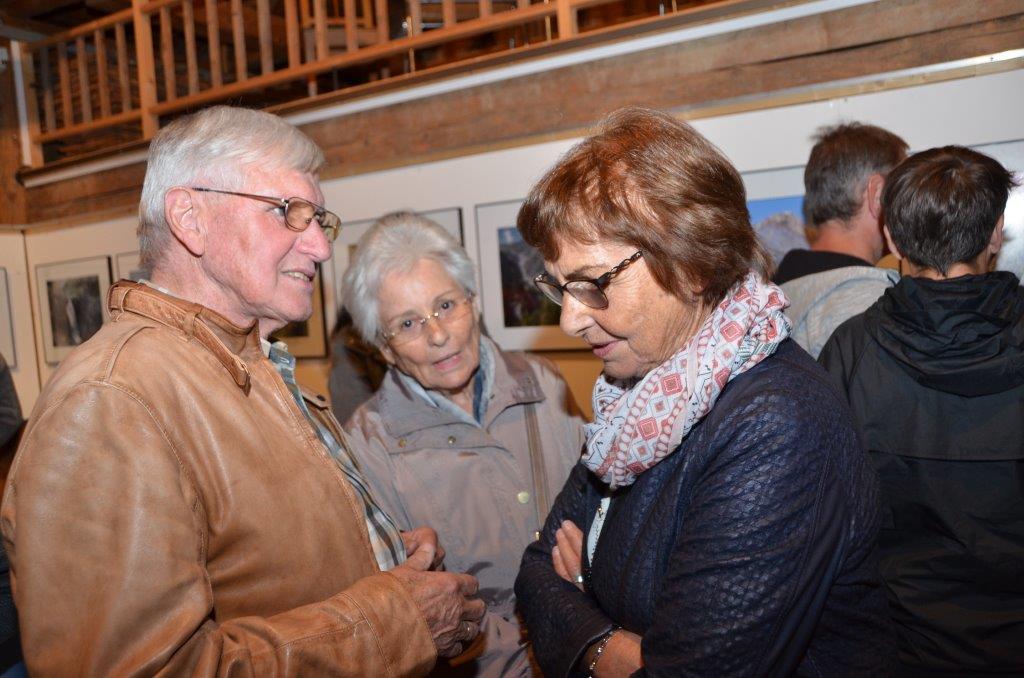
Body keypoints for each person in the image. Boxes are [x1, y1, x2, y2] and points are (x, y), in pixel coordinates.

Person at [0, 106, 485, 675]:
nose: (321, 247)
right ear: (190, 218)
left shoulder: (248, 364)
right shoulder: (110, 399)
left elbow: (256, 570)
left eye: (318, 220)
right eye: (287, 212)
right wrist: (398, 620)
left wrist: (376, 553)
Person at [513, 107, 892, 676]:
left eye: (591, 283)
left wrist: (588, 619)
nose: (570, 319)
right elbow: (536, 570)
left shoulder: (776, 423)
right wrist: (611, 630)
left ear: (693, 262)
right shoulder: (634, 398)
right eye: (560, 286)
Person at [342, 211, 585, 675]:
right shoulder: (368, 446)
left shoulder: (544, 382)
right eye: (408, 324)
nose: (438, 334)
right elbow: (419, 613)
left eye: (446, 305)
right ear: (384, 348)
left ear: (473, 301)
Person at [819, 146, 1024, 675]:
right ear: (996, 232)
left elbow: (823, 514)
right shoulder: (852, 347)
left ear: (890, 236)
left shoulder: (850, 350)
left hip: (897, 645)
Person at [775, 122, 908, 357]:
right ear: (877, 194)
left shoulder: (775, 296)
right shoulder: (872, 305)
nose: (910, 202)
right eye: (904, 188)